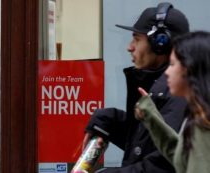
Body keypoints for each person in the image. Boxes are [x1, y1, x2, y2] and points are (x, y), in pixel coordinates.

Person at [83, 2, 190, 173]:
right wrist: (108, 120)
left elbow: (163, 166)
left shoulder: (181, 94)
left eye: (137, 39)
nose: (129, 47)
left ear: (160, 43)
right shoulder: (161, 86)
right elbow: (144, 144)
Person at [135, 31, 210, 173]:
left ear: (189, 68)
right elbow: (182, 159)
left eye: (172, 64)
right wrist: (150, 117)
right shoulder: (197, 117)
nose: (167, 72)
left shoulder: (204, 124)